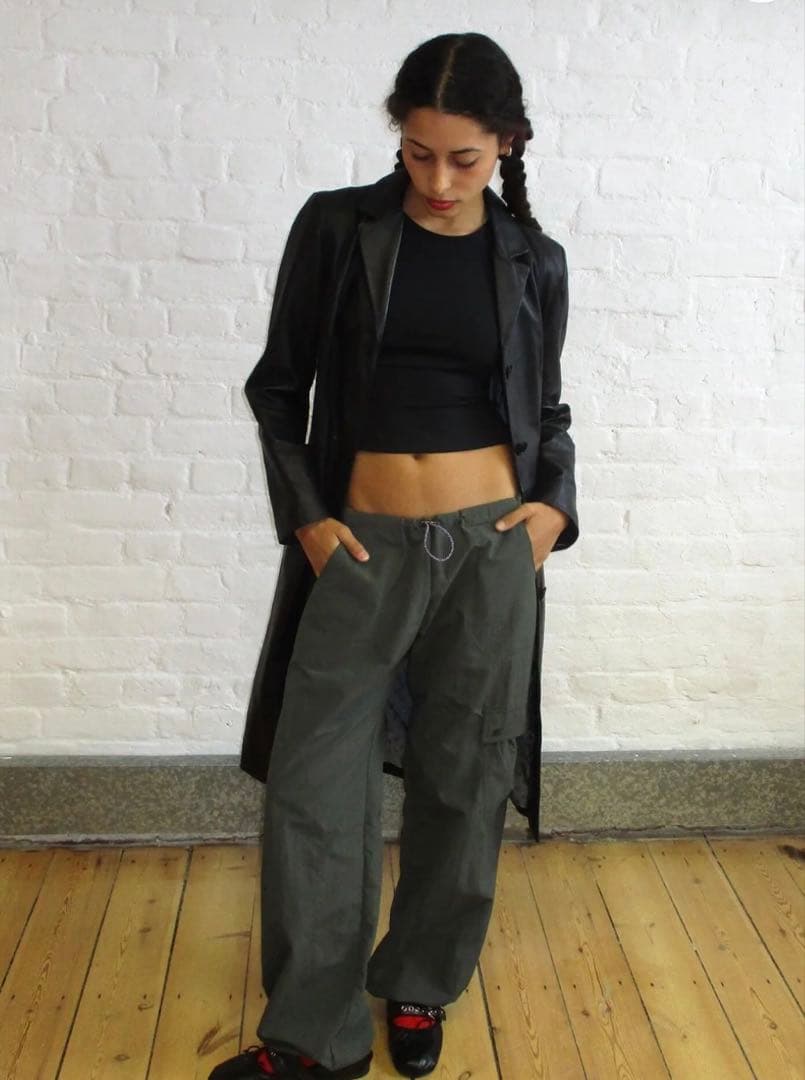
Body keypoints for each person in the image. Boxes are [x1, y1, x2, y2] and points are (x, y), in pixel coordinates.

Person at [209, 31, 578, 1080]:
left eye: (464, 159)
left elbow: (547, 411)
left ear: (506, 145)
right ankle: (312, 1039)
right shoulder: (339, 229)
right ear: (397, 138)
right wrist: (310, 519)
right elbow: (277, 388)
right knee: (314, 786)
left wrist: (551, 511)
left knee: (465, 772)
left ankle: (419, 983)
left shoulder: (533, 260)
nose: (439, 181)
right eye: (419, 154)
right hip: (360, 549)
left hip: (491, 550)